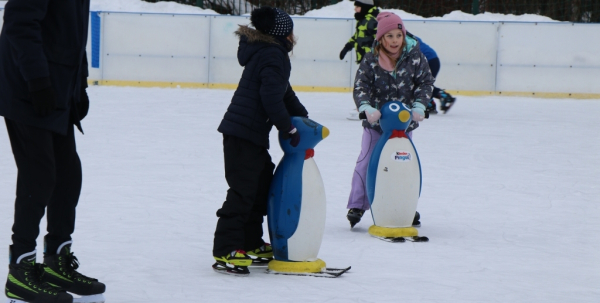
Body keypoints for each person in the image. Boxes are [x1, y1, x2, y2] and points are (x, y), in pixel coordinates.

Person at [0, 0, 106, 302]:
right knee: (40, 173)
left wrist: (78, 86)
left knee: (68, 174)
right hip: (28, 86)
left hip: (57, 87)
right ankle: (20, 268)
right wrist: (36, 79)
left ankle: (57, 260)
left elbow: (72, 35)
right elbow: (20, 23)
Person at [213, 6, 309, 276]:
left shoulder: (266, 52)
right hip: (243, 134)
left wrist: (303, 117)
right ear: (284, 34)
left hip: (247, 134)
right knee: (243, 191)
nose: (293, 35)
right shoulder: (274, 55)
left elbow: (284, 92)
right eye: (291, 30)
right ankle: (226, 248)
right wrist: (289, 129)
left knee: (260, 184)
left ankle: (250, 243)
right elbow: (271, 99)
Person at [346, 12, 434, 228]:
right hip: (375, 125)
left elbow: (425, 82)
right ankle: (358, 203)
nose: (395, 41)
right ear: (381, 38)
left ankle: (405, 205)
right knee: (367, 162)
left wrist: (419, 106)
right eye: (389, 36)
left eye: (398, 35)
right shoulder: (371, 59)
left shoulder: (415, 57)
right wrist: (366, 107)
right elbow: (361, 85)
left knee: (403, 166)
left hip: (403, 126)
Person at [339, 0, 380, 120]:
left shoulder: (372, 20)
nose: (355, 9)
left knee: (367, 84)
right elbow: (357, 36)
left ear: (364, 7)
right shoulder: (364, 20)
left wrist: (376, 56)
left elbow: (379, 39)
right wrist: (347, 47)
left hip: (372, 60)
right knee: (365, 83)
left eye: (357, 6)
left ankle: (368, 109)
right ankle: (365, 107)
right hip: (365, 59)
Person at [410, 34, 457, 115]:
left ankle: (443, 97)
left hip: (428, 61)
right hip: (432, 60)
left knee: (419, 84)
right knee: (419, 83)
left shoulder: (402, 38)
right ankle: (430, 103)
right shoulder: (405, 36)